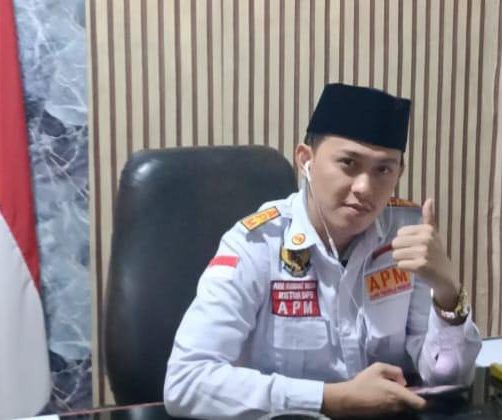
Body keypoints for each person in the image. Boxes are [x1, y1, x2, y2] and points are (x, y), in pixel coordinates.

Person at [164, 83, 482, 419]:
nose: (364, 188)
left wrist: (448, 293)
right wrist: (330, 398)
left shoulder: (407, 234)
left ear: (398, 173)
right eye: (348, 163)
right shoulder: (256, 244)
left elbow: (446, 379)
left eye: (383, 170)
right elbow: (185, 382)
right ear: (306, 160)